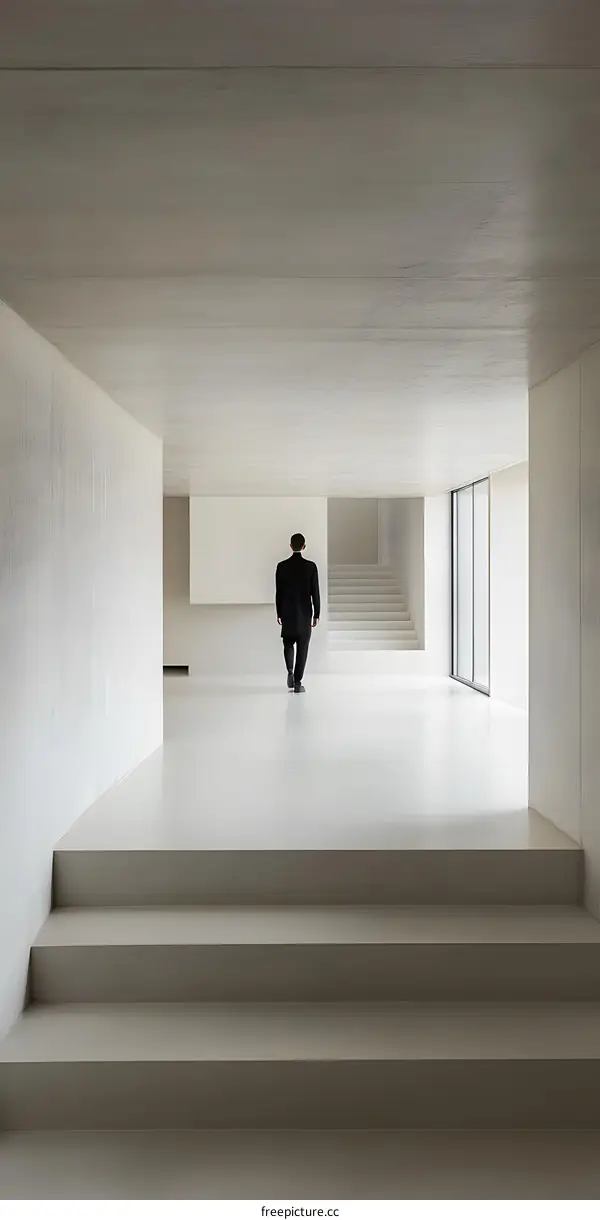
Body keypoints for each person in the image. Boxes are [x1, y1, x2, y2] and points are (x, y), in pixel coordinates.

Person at [275, 533, 320, 693]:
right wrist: (316, 614)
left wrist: (279, 612)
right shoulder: (311, 567)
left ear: (290, 546)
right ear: (304, 546)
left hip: (287, 612)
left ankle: (290, 671)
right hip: (304, 613)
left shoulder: (282, 566)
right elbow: (315, 592)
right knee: (302, 648)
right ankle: (297, 682)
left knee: (288, 643)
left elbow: (278, 593)